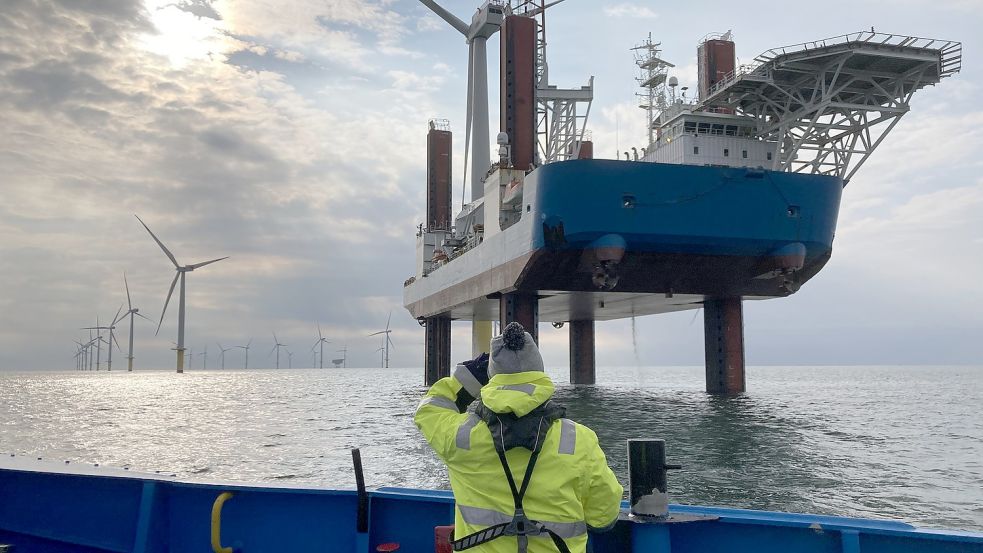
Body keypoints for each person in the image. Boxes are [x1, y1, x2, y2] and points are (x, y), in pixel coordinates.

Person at [414, 322, 623, 553]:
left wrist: (466, 378)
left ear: (491, 377)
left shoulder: (460, 437)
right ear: (540, 375)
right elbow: (603, 518)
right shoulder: (578, 440)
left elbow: (429, 409)